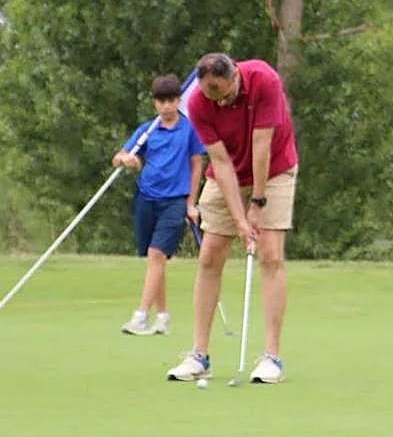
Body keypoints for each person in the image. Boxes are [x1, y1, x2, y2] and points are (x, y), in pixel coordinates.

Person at [167, 53, 298, 384]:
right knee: (210, 255)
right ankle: (200, 355)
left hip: (275, 169)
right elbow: (221, 162)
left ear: (235, 75)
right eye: (214, 97)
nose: (221, 102)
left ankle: (272, 356)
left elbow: (261, 145)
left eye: (225, 94)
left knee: (269, 254)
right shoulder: (197, 102)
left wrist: (257, 202)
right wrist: (240, 221)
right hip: (228, 173)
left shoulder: (263, 80)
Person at [113, 74, 206, 336]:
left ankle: (141, 316)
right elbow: (122, 156)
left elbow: (197, 165)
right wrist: (126, 160)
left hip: (175, 201)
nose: (166, 106)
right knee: (156, 260)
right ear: (154, 102)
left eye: (171, 100)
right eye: (161, 101)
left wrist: (192, 203)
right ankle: (163, 317)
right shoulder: (147, 130)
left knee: (157, 256)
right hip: (146, 198)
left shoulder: (189, 129)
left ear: (179, 100)